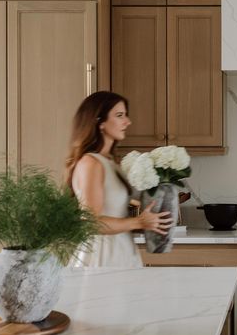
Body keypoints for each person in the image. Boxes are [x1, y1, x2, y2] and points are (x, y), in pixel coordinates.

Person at [66, 91, 173, 267]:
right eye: (119, 115)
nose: (127, 122)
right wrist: (138, 221)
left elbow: (116, 209)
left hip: (122, 250)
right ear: (99, 121)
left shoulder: (110, 162)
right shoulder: (91, 163)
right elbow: (92, 223)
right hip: (101, 256)